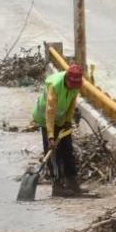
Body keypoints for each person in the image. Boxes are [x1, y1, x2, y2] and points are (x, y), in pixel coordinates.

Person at [31, 63, 83, 197]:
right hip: (46, 118)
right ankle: (57, 186)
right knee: (54, 153)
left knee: (67, 149)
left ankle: (71, 180)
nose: (73, 87)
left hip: (61, 119)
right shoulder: (55, 87)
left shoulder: (76, 86)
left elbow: (71, 104)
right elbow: (49, 113)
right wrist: (50, 136)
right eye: (71, 85)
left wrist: (68, 121)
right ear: (66, 79)